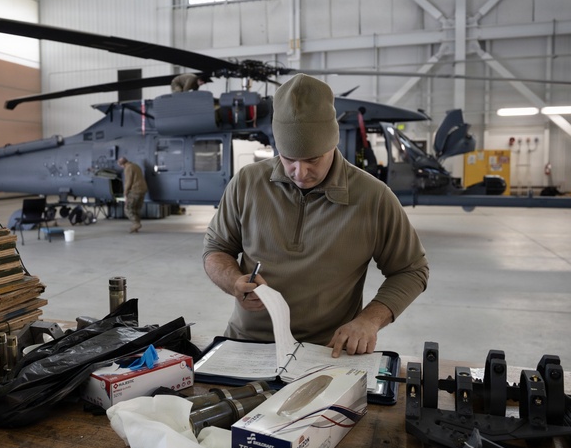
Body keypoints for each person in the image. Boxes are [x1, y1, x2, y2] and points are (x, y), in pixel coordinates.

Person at [202, 74, 429, 358]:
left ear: (332, 144)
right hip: (246, 346)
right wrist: (234, 282)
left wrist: (368, 320)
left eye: (312, 159)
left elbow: (411, 270)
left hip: (325, 353)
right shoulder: (247, 182)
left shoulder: (374, 197)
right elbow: (216, 249)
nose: (300, 172)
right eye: (288, 159)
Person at [117, 156, 148, 233]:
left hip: (135, 190)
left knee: (127, 209)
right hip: (142, 189)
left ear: (122, 164)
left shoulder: (128, 168)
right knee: (136, 209)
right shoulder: (136, 166)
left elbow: (128, 182)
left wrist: (125, 194)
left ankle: (136, 224)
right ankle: (136, 227)